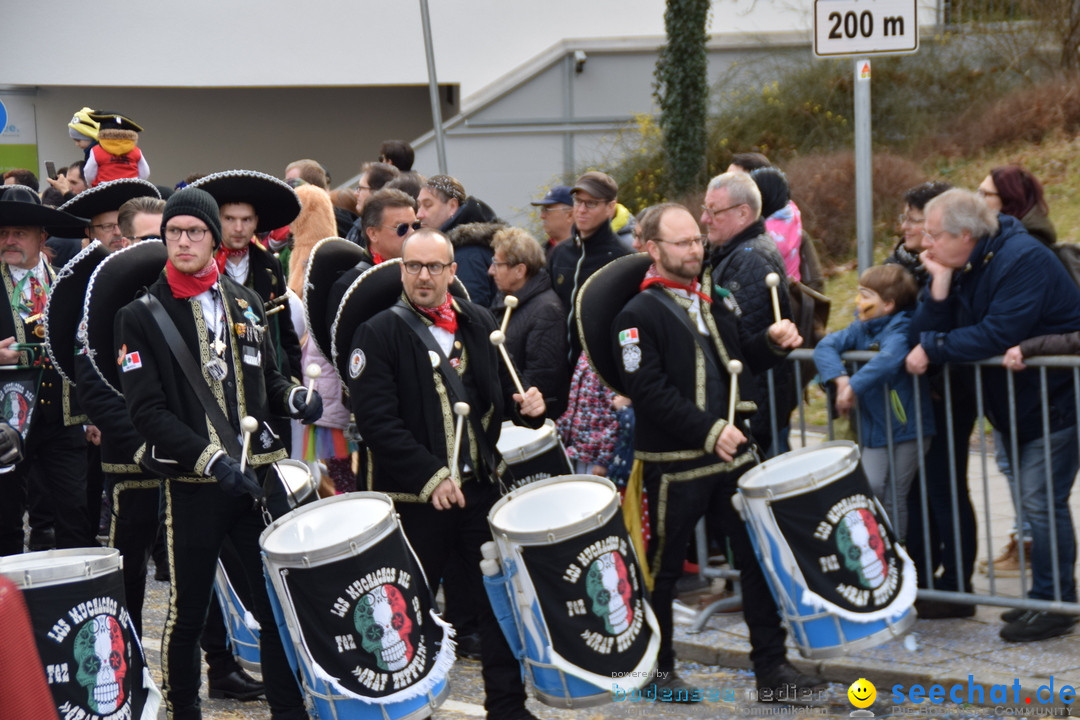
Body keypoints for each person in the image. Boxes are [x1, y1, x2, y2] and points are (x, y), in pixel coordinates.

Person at [114, 186, 323, 718]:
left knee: (276, 605)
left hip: (257, 476)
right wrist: (210, 459)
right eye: (174, 233)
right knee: (188, 612)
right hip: (195, 484)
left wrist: (293, 396)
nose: (183, 242)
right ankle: (184, 711)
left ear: (215, 240)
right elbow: (148, 412)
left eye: (194, 232)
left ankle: (288, 710)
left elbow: (268, 375)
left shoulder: (246, 301)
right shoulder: (141, 314)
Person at [608, 202, 817, 700]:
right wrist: (709, 431)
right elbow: (650, 391)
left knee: (759, 561)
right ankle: (659, 676)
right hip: (672, 469)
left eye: (697, 241)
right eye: (682, 243)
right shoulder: (634, 316)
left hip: (730, 460)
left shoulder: (712, 302)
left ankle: (773, 670)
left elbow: (737, 362)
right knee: (659, 573)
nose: (695, 250)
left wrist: (772, 341)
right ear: (651, 249)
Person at [347, 228, 546, 720]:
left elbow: (497, 397)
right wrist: (431, 477)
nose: (424, 276)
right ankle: (406, 708)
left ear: (452, 272)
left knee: (495, 609)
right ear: (401, 271)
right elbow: (378, 423)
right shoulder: (378, 333)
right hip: (416, 505)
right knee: (406, 615)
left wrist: (530, 410)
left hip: (477, 493)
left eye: (435, 267)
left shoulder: (479, 321)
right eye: (414, 266)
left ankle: (507, 707)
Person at [905, 188, 1080, 641]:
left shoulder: (1022, 259)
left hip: (1052, 401)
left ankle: (1057, 603)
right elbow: (922, 332)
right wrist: (939, 290)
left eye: (934, 236)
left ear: (966, 234)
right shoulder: (964, 263)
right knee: (1033, 502)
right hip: (1014, 405)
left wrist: (935, 348)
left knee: (1041, 503)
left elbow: (996, 333)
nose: (927, 246)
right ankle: (1045, 597)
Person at [0, 186, 90, 556]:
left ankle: (75, 601)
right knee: (4, 516)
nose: (9, 241)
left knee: (75, 511)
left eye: (19, 233)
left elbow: (88, 349)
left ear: (42, 236)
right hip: (5, 421)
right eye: (3, 233)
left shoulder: (69, 283)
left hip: (63, 417)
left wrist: (93, 414)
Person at [814, 264, 933, 540]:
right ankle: (875, 548)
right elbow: (826, 346)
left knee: (894, 494)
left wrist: (855, 386)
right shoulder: (861, 327)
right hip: (875, 429)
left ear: (889, 305)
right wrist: (842, 381)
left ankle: (898, 554)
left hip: (907, 429)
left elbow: (889, 359)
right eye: (859, 293)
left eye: (866, 295)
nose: (859, 301)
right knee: (869, 486)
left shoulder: (902, 328)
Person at [701, 171, 793, 455]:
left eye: (713, 211)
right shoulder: (734, 252)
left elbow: (732, 340)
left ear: (743, 214)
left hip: (755, 412)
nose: (704, 219)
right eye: (704, 209)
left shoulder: (750, 259)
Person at [549, 171, 631, 367]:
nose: (581, 210)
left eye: (591, 203)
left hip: (601, 373)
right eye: (578, 201)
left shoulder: (623, 258)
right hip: (559, 369)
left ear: (610, 207)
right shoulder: (559, 253)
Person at [488, 226, 569, 418]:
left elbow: (540, 383)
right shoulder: (505, 299)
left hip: (527, 423)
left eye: (497, 264)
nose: (491, 271)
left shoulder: (547, 311)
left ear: (519, 270)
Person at [416, 175, 499, 306]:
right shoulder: (461, 247)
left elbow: (470, 310)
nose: (419, 214)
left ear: (452, 206)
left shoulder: (467, 254)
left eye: (427, 205)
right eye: (419, 206)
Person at [887, 181, 952, 288]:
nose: (904, 226)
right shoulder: (892, 268)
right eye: (904, 219)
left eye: (913, 220)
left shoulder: (956, 271)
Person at [978, 165, 1055, 245]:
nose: (977, 198)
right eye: (979, 191)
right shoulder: (1000, 234)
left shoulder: (1028, 244)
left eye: (985, 194)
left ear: (1008, 199)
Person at [83, 111, 150, 186]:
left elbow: (89, 172)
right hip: (131, 186)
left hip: (105, 187)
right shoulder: (136, 151)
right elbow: (145, 172)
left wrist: (92, 184)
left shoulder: (96, 150)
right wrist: (136, 182)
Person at [344, 161, 400, 244]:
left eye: (361, 188)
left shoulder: (389, 233)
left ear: (376, 192)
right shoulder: (359, 227)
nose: (356, 194)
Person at [529, 185, 574, 260]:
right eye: (542, 210)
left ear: (569, 215)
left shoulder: (585, 253)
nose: (542, 216)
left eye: (547, 210)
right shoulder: (537, 255)